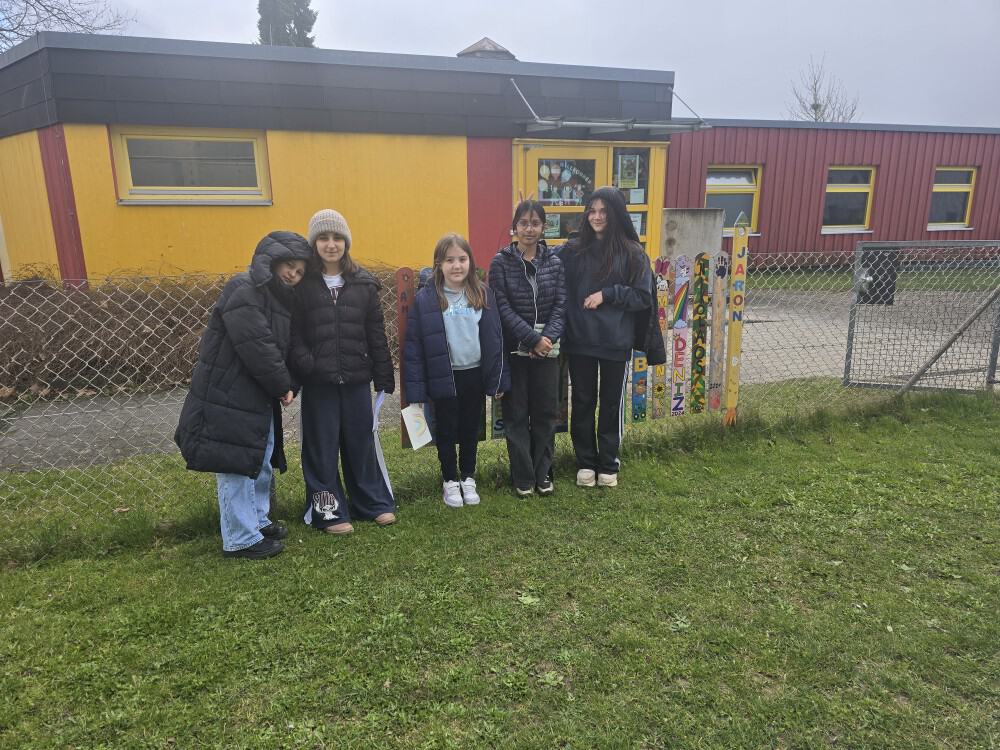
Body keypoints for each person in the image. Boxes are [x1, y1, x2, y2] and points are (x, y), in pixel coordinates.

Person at [174, 231, 312, 559]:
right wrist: (282, 384)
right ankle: (240, 537)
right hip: (228, 392)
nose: (293, 274)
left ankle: (258, 520)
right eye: (289, 266)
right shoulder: (244, 288)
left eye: (300, 272)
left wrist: (290, 382)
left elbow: (283, 346)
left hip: (254, 394)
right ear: (273, 260)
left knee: (258, 457)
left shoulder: (278, 300)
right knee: (235, 464)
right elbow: (257, 345)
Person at [290, 209, 397, 535]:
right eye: (323, 238)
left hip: (356, 379)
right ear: (314, 243)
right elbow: (294, 334)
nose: (331, 244)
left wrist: (383, 374)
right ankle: (329, 511)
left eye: (337, 237)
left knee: (360, 442)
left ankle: (371, 503)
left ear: (346, 242)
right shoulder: (302, 285)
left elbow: (375, 334)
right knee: (321, 448)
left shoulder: (363, 283)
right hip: (319, 383)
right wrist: (307, 365)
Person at [403, 233, 510, 508]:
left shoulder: (482, 293)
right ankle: (450, 479)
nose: (456, 266)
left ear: (470, 262)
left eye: (462, 259)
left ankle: (468, 477)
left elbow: (495, 339)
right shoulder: (427, 299)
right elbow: (414, 346)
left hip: (473, 374)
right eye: (449, 260)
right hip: (444, 375)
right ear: (438, 264)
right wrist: (415, 390)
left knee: (470, 427)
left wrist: (498, 378)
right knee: (447, 429)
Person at [560, 187, 652, 488]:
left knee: (611, 404)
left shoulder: (633, 253)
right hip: (580, 340)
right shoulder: (574, 250)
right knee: (583, 401)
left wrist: (608, 294)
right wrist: (522, 225)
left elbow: (642, 297)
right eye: (592, 210)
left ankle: (608, 463)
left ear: (615, 214)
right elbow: (541, 259)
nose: (597, 217)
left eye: (603, 211)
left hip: (615, 341)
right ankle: (586, 462)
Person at [489, 200, 565, 497]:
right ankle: (523, 476)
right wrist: (531, 339)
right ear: (515, 227)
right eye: (523, 223)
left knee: (546, 412)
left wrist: (546, 339)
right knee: (516, 414)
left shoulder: (555, 262)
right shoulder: (501, 262)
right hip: (515, 351)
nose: (529, 229)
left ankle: (543, 474)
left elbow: (561, 305)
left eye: (535, 223)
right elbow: (501, 306)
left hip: (548, 351)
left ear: (543, 227)